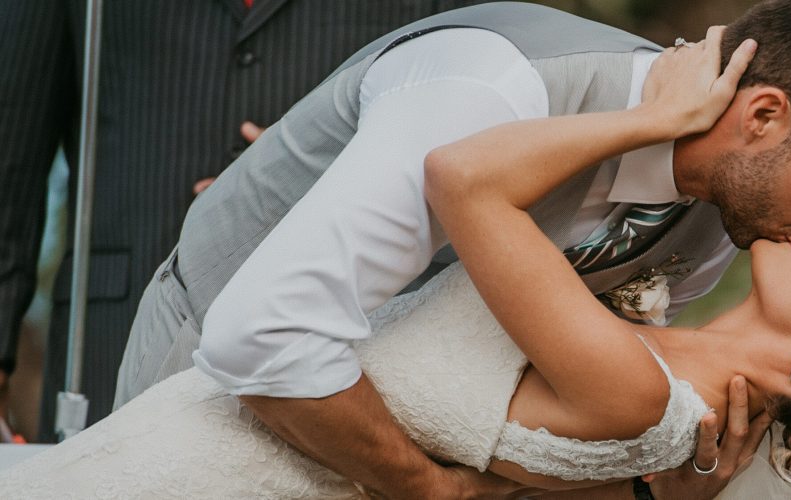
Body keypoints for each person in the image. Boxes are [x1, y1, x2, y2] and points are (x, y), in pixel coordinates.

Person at [0, 29, 791, 497]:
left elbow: (465, 191)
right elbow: (272, 330)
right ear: (762, 118)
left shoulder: (670, 370)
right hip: (214, 372)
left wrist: (653, 121)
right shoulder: (493, 83)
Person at [0, 0, 486, 440]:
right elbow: (9, 159)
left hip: (351, 342)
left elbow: (475, 129)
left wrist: (315, 179)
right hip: (113, 333)